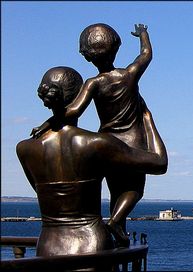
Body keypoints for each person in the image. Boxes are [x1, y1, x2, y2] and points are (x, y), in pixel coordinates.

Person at [31, 23, 162, 245]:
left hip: (108, 140)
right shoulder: (130, 74)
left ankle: (117, 226)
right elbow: (147, 54)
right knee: (134, 189)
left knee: (114, 189)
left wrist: (49, 121)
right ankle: (116, 221)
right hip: (133, 140)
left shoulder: (93, 83)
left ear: (87, 56)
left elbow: (73, 111)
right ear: (116, 48)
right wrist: (143, 34)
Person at [17, 66, 167, 256]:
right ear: (82, 96)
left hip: (48, 247)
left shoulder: (24, 149)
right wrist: (147, 120)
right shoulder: (97, 144)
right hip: (91, 246)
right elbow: (160, 163)